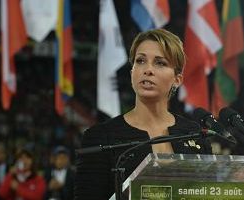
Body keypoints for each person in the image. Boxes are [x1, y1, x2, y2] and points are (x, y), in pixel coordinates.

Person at [74, 29, 212, 200]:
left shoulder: (195, 133)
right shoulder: (100, 137)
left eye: (160, 63)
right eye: (140, 61)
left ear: (177, 79)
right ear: (132, 71)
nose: (147, 70)